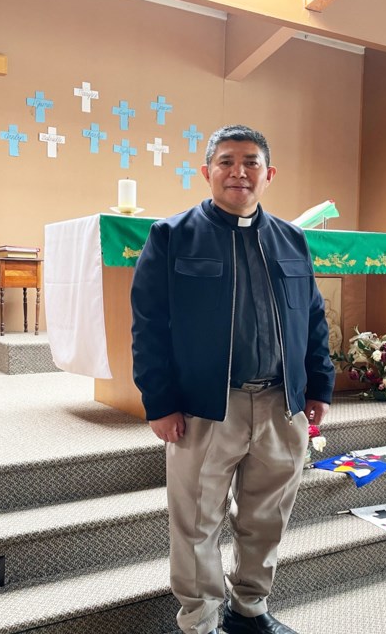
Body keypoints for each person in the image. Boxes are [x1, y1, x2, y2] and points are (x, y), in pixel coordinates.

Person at [131, 125, 334, 634]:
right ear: (206, 172)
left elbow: (312, 317)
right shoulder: (172, 236)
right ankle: (199, 620)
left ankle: (250, 608)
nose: (238, 172)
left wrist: (317, 386)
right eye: (225, 161)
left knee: (266, 517)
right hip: (205, 407)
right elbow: (149, 324)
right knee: (197, 521)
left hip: (278, 405)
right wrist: (160, 402)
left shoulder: (291, 240)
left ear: (269, 174)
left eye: (250, 162)